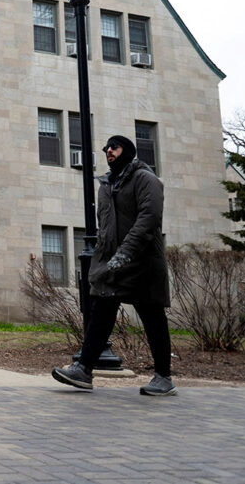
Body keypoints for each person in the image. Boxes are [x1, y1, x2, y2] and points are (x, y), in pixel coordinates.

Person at [52, 134, 176, 396]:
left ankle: (164, 377)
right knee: (101, 312)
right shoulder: (107, 184)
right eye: (106, 148)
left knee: (153, 318)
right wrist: (104, 258)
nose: (109, 151)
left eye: (114, 147)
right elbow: (106, 227)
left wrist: (125, 253)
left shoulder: (146, 180)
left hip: (142, 263)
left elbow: (149, 218)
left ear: (128, 151)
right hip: (113, 264)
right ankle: (84, 369)